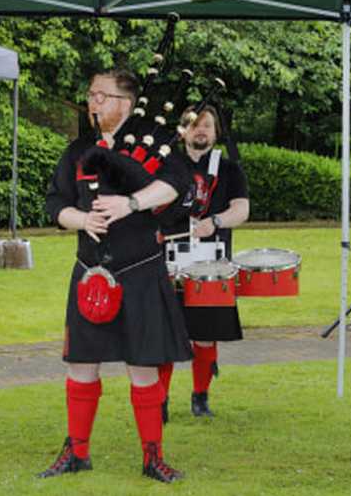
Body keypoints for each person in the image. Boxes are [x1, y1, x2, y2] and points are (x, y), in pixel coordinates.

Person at [39, 70, 192, 484]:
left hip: (140, 269)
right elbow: (55, 203)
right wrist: (81, 218)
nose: (92, 103)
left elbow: (178, 185)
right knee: (81, 364)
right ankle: (77, 452)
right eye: (90, 95)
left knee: (142, 367)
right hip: (92, 271)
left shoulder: (155, 140)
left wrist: (131, 202)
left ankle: (153, 456)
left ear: (124, 103)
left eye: (100, 96)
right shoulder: (79, 149)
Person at [157, 104, 249, 420]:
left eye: (207, 125)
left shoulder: (229, 169)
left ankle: (200, 396)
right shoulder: (165, 165)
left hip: (212, 266)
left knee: (205, 334)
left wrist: (217, 221)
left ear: (215, 132)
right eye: (194, 124)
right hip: (168, 260)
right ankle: (160, 401)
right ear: (183, 130)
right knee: (165, 332)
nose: (201, 130)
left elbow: (242, 209)